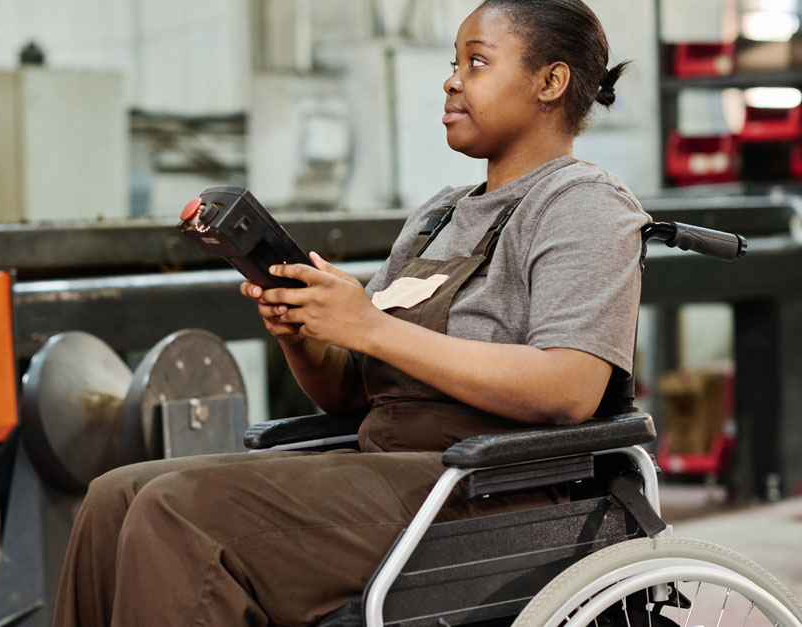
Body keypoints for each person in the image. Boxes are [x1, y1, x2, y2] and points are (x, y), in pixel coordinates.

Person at [54, 1, 650, 625]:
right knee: (113, 496)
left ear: (549, 83)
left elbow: (569, 389)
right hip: (393, 469)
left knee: (175, 511)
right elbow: (348, 395)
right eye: (454, 63)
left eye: (477, 62)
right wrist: (306, 332)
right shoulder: (438, 217)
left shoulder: (582, 205)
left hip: (497, 492)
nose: (451, 80)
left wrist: (370, 325)